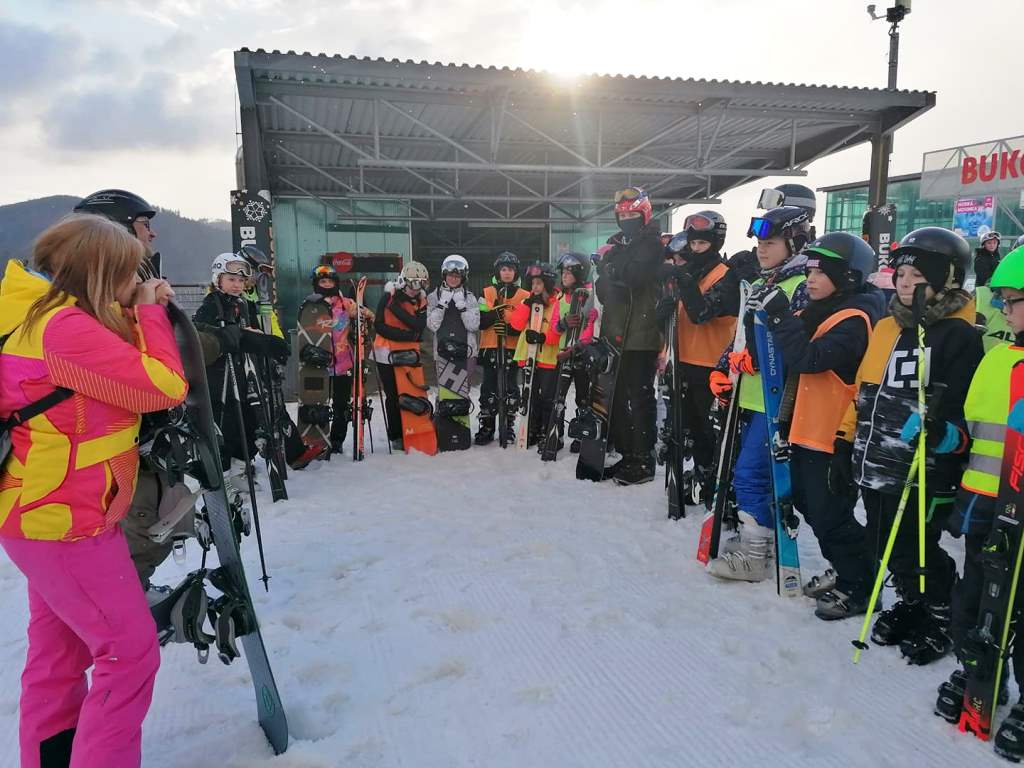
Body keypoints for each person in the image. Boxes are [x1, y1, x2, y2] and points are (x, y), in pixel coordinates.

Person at [0, 213, 187, 768]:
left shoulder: (37, 314)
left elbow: (106, 361)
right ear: (103, 273)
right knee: (130, 655)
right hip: (68, 522)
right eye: (131, 273)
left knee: (58, 656)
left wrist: (134, 309)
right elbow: (163, 386)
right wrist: (150, 312)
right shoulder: (63, 330)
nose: (137, 282)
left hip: (37, 513)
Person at [834, 226, 983, 664]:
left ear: (947, 278)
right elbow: (863, 389)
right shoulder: (886, 327)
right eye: (900, 273)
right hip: (876, 457)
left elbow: (961, 408)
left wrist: (943, 438)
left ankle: (941, 609)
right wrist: (845, 440)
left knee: (916, 545)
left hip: (923, 465)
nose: (904, 282)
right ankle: (913, 600)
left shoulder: (959, 335)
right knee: (882, 542)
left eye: (917, 275)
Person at [73, 190, 217, 602]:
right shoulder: (100, 296)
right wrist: (213, 341)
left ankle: (125, 596)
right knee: (139, 526)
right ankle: (123, 605)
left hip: (138, 437)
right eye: (143, 225)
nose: (152, 234)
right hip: (121, 444)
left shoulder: (114, 288)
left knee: (152, 521)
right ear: (116, 229)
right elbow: (153, 365)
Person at [756, 232, 884, 618]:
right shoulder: (821, 310)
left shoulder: (855, 319)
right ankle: (849, 570)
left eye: (821, 272)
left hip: (833, 435)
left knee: (831, 514)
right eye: (810, 271)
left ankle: (861, 584)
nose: (810, 279)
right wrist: (761, 313)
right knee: (810, 505)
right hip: (807, 429)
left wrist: (779, 316)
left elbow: (808, 359)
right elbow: (778, 344)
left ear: (847, 277)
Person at [933, 244, 1024, 750]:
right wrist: (948, 438)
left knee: (1020, 606)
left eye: (1013, 300)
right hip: (986, 504)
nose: (1003, 310)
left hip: (1022, 512)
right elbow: (974, 433)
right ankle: (979, 669)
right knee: (974, 598)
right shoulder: (996, 360)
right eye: (1003, 299)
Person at [707, 206, 811, 581]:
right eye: (759, 243)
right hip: (750, 396)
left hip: (777, 399)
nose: (761, 249)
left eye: (771, 243)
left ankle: (756, 556)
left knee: (751, 474)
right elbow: (742, 333)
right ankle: (758, 539)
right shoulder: (762, 283)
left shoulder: (800, 287)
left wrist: (760, 358)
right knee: (749, 474)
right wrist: (723, 367)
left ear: (794, 243)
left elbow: (797, 345)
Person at [655, 211, 738, 504]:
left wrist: (684, 281)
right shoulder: (690, 274)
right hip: (685, 362)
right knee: (693, 430)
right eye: (693, 244)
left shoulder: (726, 276)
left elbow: (702, 314)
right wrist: (662, 314)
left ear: (715, 244)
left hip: (713, 366)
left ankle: (721, 486)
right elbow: (680, 319)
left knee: (712, 431)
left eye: (703, 244)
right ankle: (703, 476)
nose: (696, 249)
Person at [594, 186, 665, 485]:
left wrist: (612, 268)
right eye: (622, 217)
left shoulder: (651, 244)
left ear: (644, 215)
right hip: (617, 332)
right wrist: (612, 271)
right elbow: (603, 289)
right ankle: (628, 453)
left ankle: (644, 458)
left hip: (641, 334)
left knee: (640, 397)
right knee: (619, 396)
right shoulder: (620, 246)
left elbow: (634, 276)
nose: (627, 221)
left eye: (632, 215)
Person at [193, 255, 290, 474]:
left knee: (248, 424)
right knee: (227, 426)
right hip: (221, 380)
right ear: (218, 279)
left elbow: (254, 332)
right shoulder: (211, 304)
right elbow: (203, 335)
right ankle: (224, 474)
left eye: (240, 280)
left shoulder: (244, 304)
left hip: (245, 377)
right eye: (231, 279)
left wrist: (267, 343)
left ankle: (241, 468)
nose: (237, 285)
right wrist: (233, 334)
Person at [308, 265, 373, 454]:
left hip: (343, 363)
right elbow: (306, 328)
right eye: (323, 281)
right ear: (316, 284)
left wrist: (362, 328)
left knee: (341, 405)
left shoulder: (345, 304)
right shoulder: (310, 305)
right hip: (319, 363)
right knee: (318, 403)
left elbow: (368, 315)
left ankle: (337, 441)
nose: (327, 285)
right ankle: (318, 439)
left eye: (330, 281)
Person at [373, 261, 429, 451]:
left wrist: (395, 309)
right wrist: (408, 335)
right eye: (414, 283)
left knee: (412, 392)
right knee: (393, 394)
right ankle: (396, 434)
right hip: (386, 351)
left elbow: (418, 325)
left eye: (421, 283)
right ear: (404, 281)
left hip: (409, 353)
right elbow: (379, 325)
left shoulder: (421, 300)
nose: (417, 288)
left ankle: (413, 430)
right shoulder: (388, 296)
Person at [475, 252, 529, 445]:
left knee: (511, 388)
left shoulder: (525, 296)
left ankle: (508, 425)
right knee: (488, 388)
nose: (507, 273)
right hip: (490, 346)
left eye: (511, 269)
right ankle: (487, 427)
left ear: (516, 272)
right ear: (498, 272)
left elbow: (525, 323)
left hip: (512, 348)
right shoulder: (487, 293)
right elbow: (481, 321)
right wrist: (496, 314)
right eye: (503, 269)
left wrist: (509, 327)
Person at [548, 252, 597, 453]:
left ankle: (580, 435)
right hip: (563, 354)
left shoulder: (590, 296)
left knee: (583, 397)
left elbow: (592, 326)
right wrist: (563, 323)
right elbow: (553, 329)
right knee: (558, 396)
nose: (564, 275)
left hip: (581, 355)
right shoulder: (561, 299)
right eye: (563, 272)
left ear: (580, 273)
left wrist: (578, 346)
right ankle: (556, 435)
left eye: (569, 272)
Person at [508, 262, 561, 448]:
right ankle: (532, 429)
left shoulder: (556, 303)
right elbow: (515, 325)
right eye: (532, 283)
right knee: (530, 396)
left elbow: (558, 331)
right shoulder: (527, 301)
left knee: (547, 396)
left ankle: (548, 430)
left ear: (547, 283)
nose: (535, 287)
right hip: (528, 355)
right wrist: (527, 306)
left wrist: (543, 338)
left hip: (548, 357)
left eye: (539, 283)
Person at [426, 255, 481, 434]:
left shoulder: (470, 298)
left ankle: (460, 428)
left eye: (457, 276)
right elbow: (432, 325)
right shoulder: (433, 297)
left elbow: (473, 325)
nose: (454, 279)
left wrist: (462, 307)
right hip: (443, 352)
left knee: (462, 389)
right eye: (451, 275)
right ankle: (443, 425)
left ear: (463, 277)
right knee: (445, 390)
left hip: (466, 351)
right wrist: (442, 304)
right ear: (444, 275)